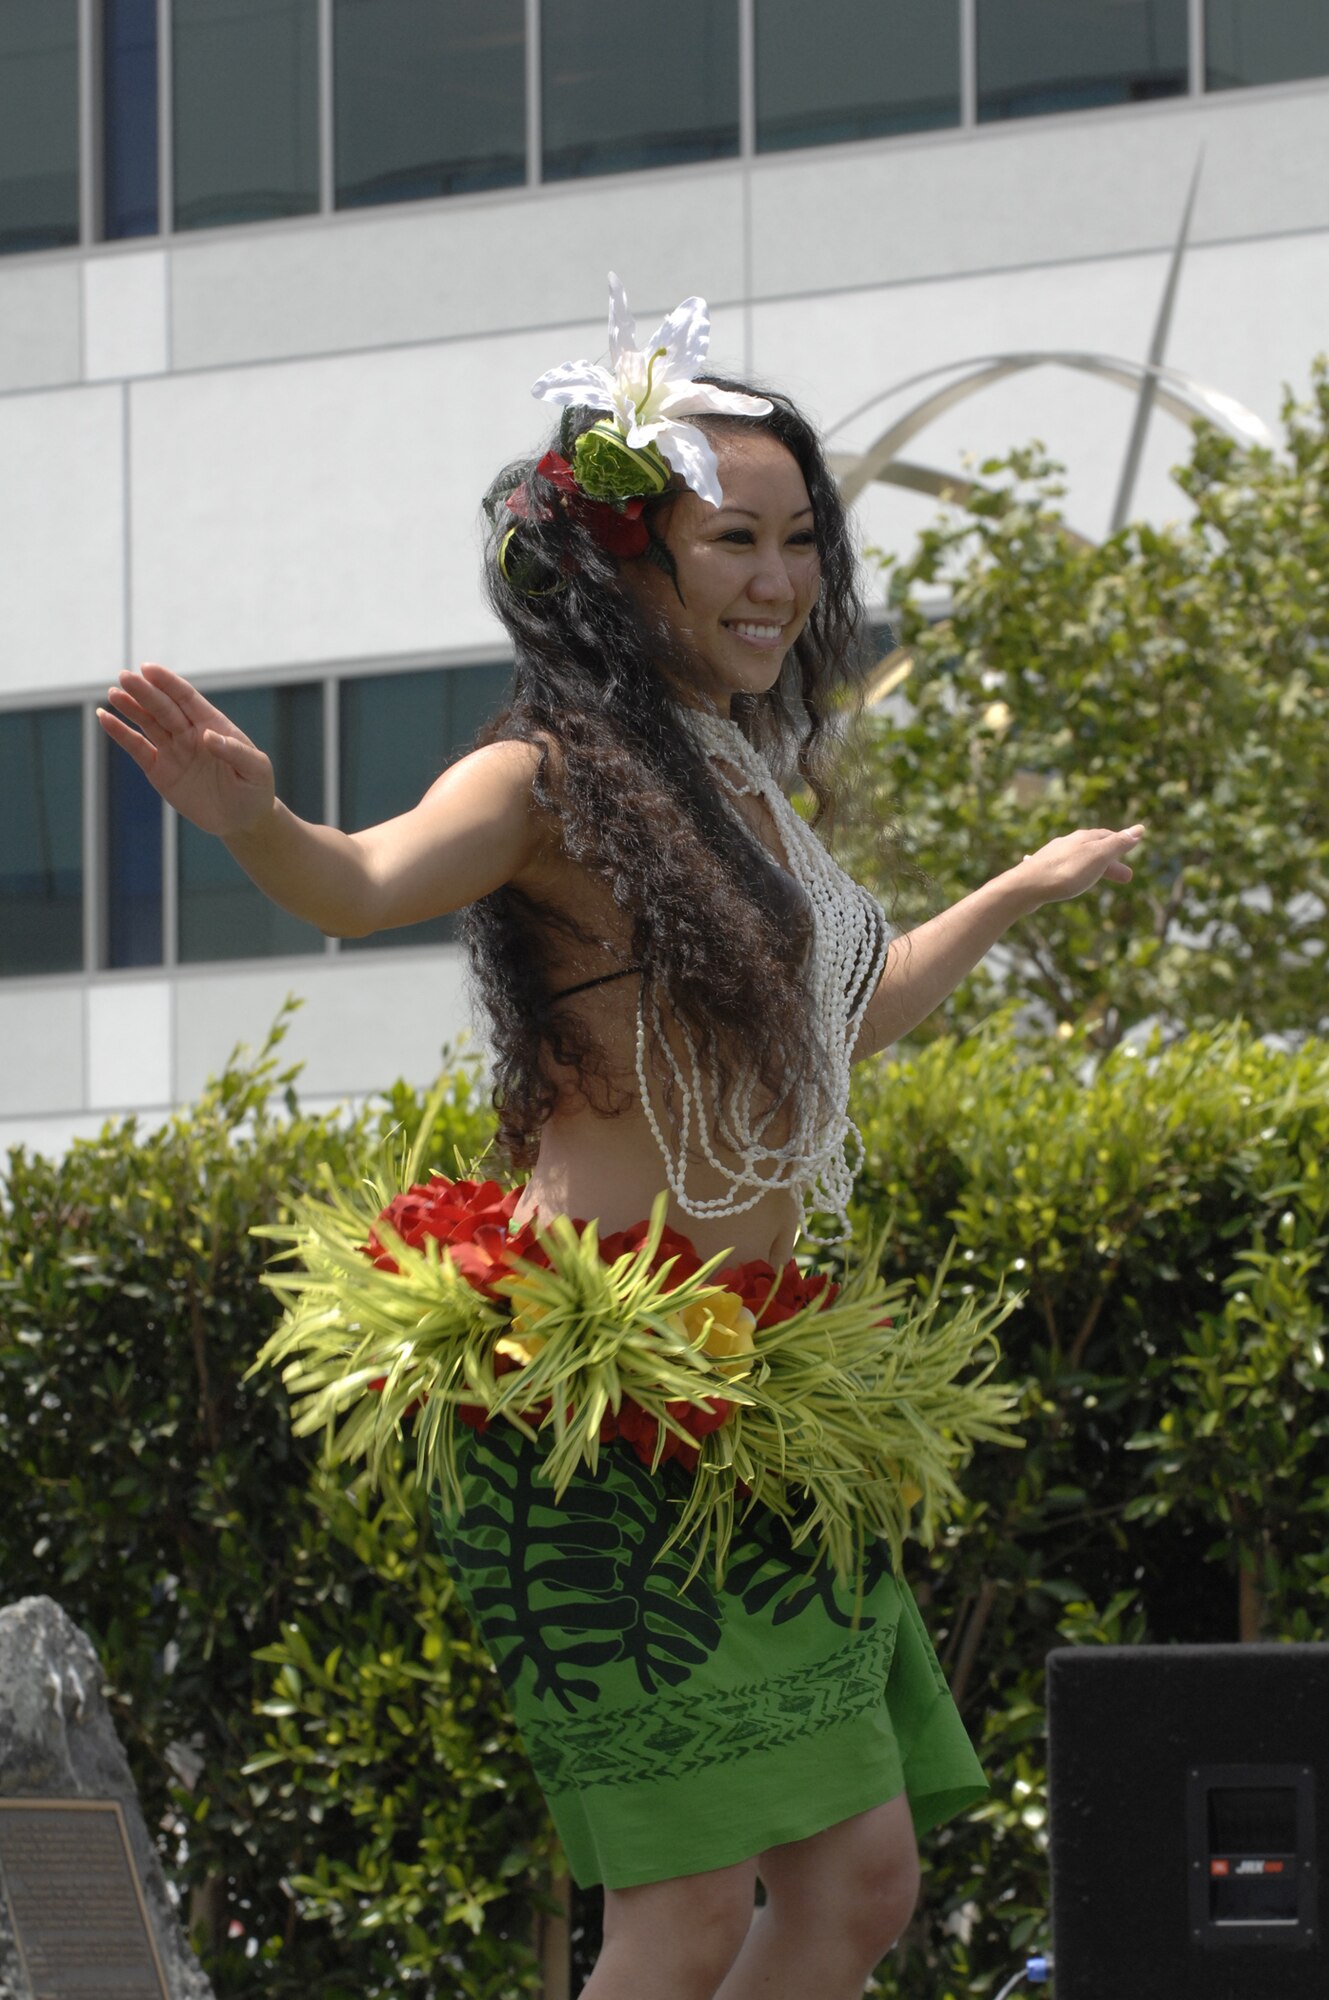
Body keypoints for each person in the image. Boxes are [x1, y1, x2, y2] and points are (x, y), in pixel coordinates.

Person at [98, 277, 1142, 2000]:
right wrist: (256, 818)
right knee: (685, 1908)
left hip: (759, 1391)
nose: (780, 580)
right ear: (619, 564)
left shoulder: (742, 782)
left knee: (862, 1880)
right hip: (588, 1398)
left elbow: (847, 1025)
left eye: (799, 541)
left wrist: (1015, 893)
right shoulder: (548, 775)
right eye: (733, 540)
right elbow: (358, 883)